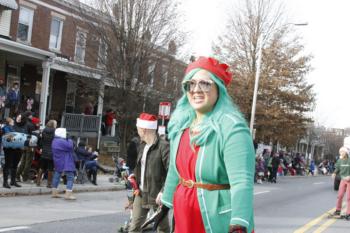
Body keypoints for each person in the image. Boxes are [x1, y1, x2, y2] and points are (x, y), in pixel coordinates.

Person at [145, 57, 255, 233]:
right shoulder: (182, 126)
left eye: (204, 84)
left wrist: (239, 224)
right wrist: (164, 206)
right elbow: (175, 170)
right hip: (184, 215)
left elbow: (242, 182)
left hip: (216, 218)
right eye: (191, 84)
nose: (196, 90)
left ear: (218, 88)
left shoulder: (232, 128)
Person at [128, 112, 170, 233]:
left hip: (158, 196)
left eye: (138, 129)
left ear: (144, 129)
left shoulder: (164, 146)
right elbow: (142, 166)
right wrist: (135, 176)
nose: (137, 131)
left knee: (163, 228)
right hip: (141, 193)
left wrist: (163, 191)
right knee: (134, 227)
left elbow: (171, 172)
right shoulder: (142, 145)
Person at [51, 128, 77, 200]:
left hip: (58, 160)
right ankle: (68, 194)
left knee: (57, 176)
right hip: (66, 161)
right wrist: (69, 139)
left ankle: (54, 192)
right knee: (70, 177)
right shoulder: (62, 141)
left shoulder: (54, 140)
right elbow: (70, 146)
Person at [1, 117, 22, 188]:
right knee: (7, 164)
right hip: (8, 149)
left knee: (15, 165)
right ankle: (5, 182)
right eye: (12, 121)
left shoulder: (13, 127)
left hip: (16, 148)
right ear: (9, 122)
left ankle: (13, 181)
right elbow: (8, 137)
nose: (13, 122)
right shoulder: (6, 128)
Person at [36, 120, 57, 188]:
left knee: (42, 167)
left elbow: (41, 141)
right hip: (51, 152)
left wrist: (41, 148)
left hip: (44, 152)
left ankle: (38, 181)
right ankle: (49, 184)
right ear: (53, 125)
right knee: (50, 169)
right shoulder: (55, 132)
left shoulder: (44, 131)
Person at [331, 146, 350, 219]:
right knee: (340, 195)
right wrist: (334, 173)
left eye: (342, 152)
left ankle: (349, 213)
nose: (341, 153)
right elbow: (337, 168)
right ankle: (338, 210)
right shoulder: (339, 160)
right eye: (340, 152)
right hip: (343, 179)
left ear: (346, 152)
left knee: (349, 198)